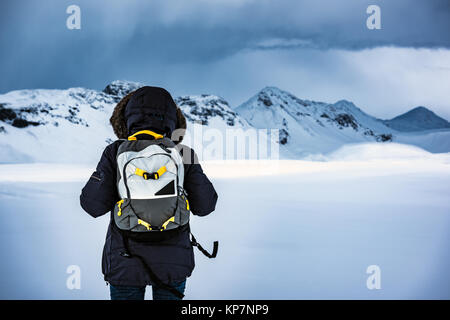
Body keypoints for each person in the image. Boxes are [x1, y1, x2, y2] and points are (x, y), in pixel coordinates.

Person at [80, 86, 218, 300]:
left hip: (124, 261)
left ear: (126, 118)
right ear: (173, 119)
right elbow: (206, 205)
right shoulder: (183, 154)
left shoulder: (115, 152)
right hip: (174, 263)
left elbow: (92, 205)